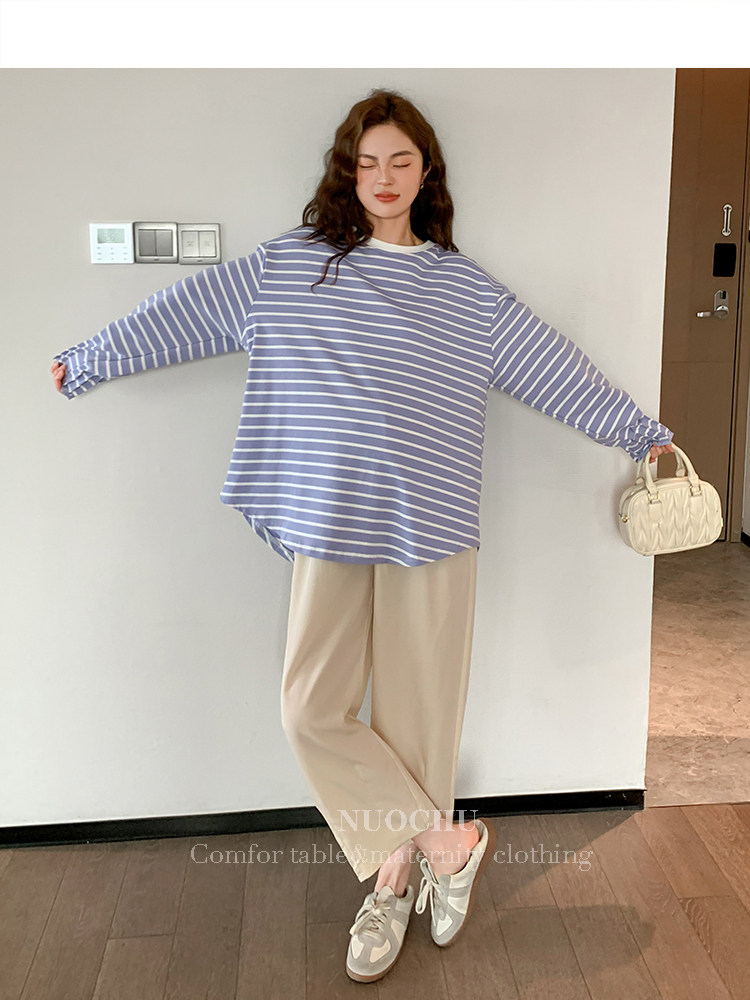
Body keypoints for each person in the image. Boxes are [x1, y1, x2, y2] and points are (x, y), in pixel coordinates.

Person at [50, 87, 675, 983]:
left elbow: (552, 368)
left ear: (426, 173)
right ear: (347, 172)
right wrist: (90, 358)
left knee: (420, 723)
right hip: (329, 517)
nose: (383, 177)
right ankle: (445, 845)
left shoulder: (465, 289)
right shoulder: (293, 265)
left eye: (400, 161)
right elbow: (185, 313)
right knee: (310, 708)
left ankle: (392, 881)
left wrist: (640, 433)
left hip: (433, 522)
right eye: (367, 161)